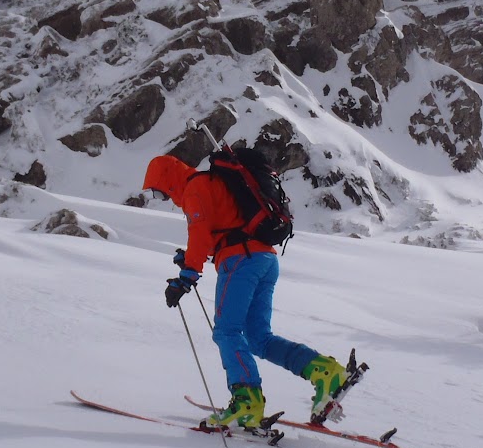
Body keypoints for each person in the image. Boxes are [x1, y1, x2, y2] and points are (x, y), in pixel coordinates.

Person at [142, 152, 349, 430]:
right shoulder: (213, 183)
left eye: (158, 193)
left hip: (240, 261)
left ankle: (246, 400)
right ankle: (325, 372)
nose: (162, 198)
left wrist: (187, 276)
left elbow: (200, 232)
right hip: (264, 259)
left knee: (227, 331)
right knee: (258, 338)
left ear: (167, 180)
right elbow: (224, 227)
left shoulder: (194, 188)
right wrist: (194, 257)